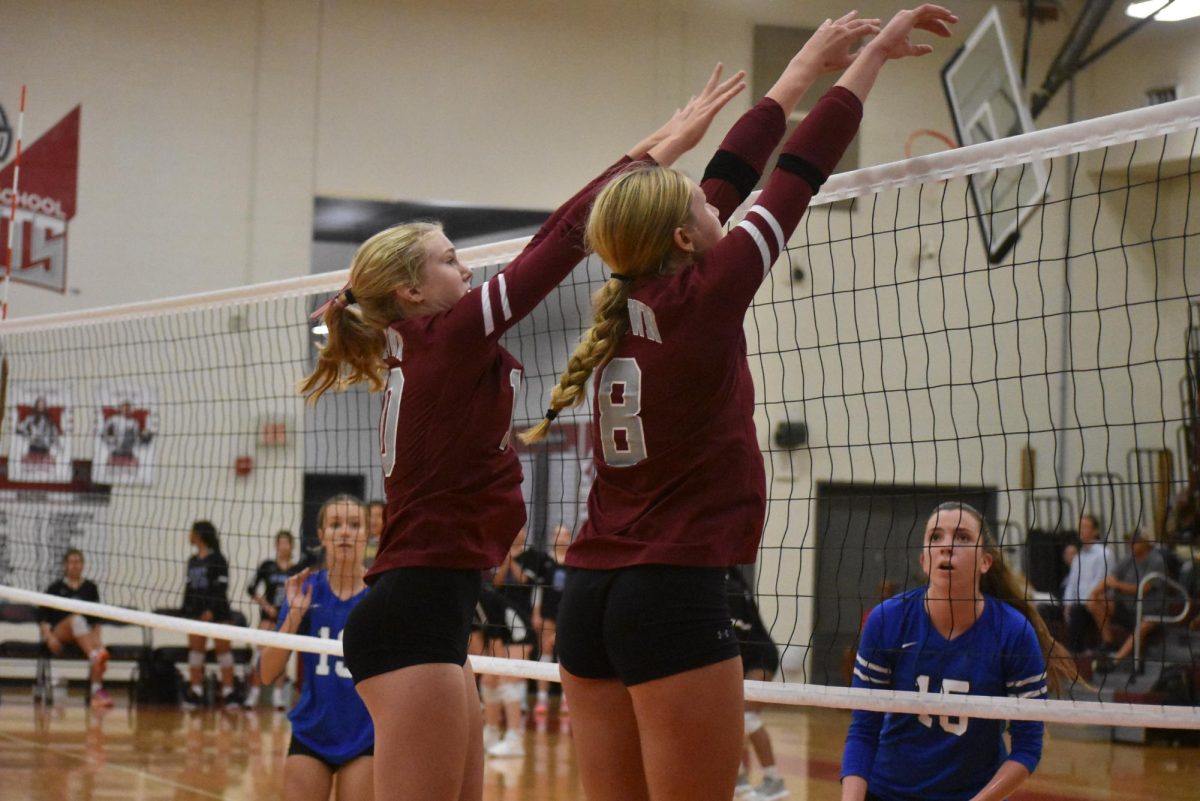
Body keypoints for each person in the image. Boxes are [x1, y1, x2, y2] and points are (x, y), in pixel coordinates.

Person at [520, 9, 955, 801]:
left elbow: (728, 170)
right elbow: (800, 168)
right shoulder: (709, 294)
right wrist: (873, 60)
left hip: (588, 593)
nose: (718, 205)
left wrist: (797, 71)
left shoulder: (633, 294)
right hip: (670, 594)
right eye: (706, 207)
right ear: (685, 238)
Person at [299, 63, 748, 801]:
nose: (467, 267)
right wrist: (658, 154)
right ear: (413, 292)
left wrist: (659, 144)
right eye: (450, 259)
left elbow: (560, 228)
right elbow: (563, 239)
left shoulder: (421, 342)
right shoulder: (448, 336)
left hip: (430, 615)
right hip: (413, 616)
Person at [841, 502, 1074, 801]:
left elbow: (1028, 747)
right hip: (888, 792)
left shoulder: (1013, 633)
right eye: (935, 537)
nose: (947, 546)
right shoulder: (887, 620)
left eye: (962, 537)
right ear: (925, 560)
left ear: (985, 562)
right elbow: (863, 729)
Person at [260, 494, 373, 801]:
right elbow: (267, 673)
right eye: (335, 524)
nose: (345, 532)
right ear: (322, 535)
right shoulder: (307, 590)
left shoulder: (379, 597)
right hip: (312, 731)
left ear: (367, 533)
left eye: (354, 524)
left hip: (365, 735)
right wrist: (294, 615)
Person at [727, 569, 786, 801]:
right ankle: (738, 777)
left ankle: (774, 781)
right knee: (728, 719)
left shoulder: (728, 587)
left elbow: (735, 634)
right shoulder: (728, 581)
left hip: (761, 657)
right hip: (745, 657)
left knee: (747, 716)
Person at [38, 549, 112, 708]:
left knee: (99, 651)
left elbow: (96, 620)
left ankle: (97, 693)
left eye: (78, 562)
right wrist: (49, 637)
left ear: (83, 565)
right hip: (60, 633)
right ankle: (94, 656)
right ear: (65, 565)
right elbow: (43, 618)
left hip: (83, 634)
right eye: (71, 562)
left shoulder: (90, 588)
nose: (74, 565)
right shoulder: (55, 587)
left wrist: (98, 641)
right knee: (76, 618)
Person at [1088, 526, 1168, 672]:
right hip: (1128, 607)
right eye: (1129, 541)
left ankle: (1115, 661)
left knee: (1143, 626)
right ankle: (1108, 642)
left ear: (1145, 542)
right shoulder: (1128, 559)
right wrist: (1094, 593)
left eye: (1135, 541)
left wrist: (1117, 585)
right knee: (1096, 602)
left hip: (1152, 611)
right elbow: (1111, 578)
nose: (1130, 544)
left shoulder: (1156, 560)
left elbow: (1143, 589)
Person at [181, 520, 239, 709]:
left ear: (199, 535)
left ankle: (229, 692)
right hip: (196, 613)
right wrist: (185, 611)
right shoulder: (193, 561)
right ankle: (196, 692)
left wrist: (211, 611)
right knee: (196, 653)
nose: (189, 535)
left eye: (191, 532)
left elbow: (221, 588)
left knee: (224, 653)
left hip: (218, 613)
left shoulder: (218, 559)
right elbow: (189, 589)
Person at [245, 529, 296, 709]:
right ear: (276, 545)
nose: (283, 546)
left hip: (286, 618)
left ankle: (278, 696)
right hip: (268, 617)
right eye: (280, 542)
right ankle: (253, 694)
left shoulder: (296, 570)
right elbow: (251, 588)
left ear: (292, 546)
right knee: (260, 655)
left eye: (287, 542)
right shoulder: (267, 566)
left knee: (282, 656)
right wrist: (265, 605)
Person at [1060, 513, 1115, 653]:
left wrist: (1079, 602)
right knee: (1048, 610)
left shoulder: (1104, 553)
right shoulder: (1078, 556)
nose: (1081, 530)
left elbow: (1102, 582)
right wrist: (1068, 603)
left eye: (1085, 526)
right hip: (1079, 602)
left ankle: (1075, 654)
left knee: (1078, 611)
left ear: (1095, 531)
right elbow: (1072, 583)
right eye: (1080, 527)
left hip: (1095, 601)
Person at [101, 400, 153, 465]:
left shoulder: (134, 422)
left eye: (128, 409)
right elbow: (103, 432)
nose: (126, 410)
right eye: (124, 408)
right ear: (120, 409)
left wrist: (145, 437)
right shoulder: (113, 419)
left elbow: (136, 438)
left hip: (129, 452)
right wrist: (109, 439)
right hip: (115, 451)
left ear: (130, 410)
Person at [17, 396, 60, 462]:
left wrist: (54, 442)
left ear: (45, 406)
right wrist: (29, 435)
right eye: (39, 404)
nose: (41, 406)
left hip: (45, 447)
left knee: (44, 466)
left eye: (43, 404)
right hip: (33, 445)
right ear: (36, 405)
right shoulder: (31, 417)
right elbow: (20, 428)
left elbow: (54, 432)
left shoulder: (49, 419)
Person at [363, 501, 385, 569]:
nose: (374, 520)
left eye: (379, 515)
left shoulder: (388, 543)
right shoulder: (357, 541)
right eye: (370, 515)